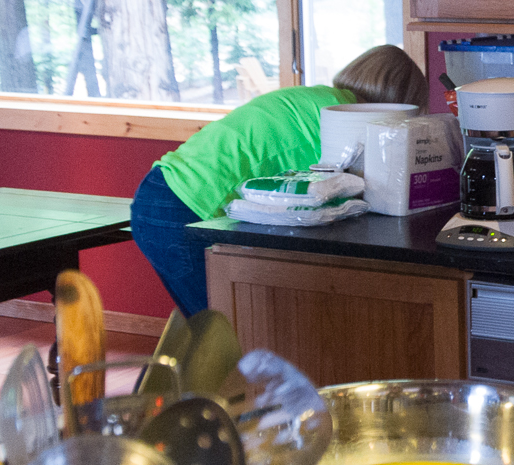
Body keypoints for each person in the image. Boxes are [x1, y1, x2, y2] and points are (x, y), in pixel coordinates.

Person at [132, 45, 426, 314]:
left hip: (163, 192)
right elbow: (360, 191)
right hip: (184, 208)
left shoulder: (319, 99)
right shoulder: (340, 117)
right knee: (223, 339)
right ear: (400, 103)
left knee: (206, 333)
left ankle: (163, 373)